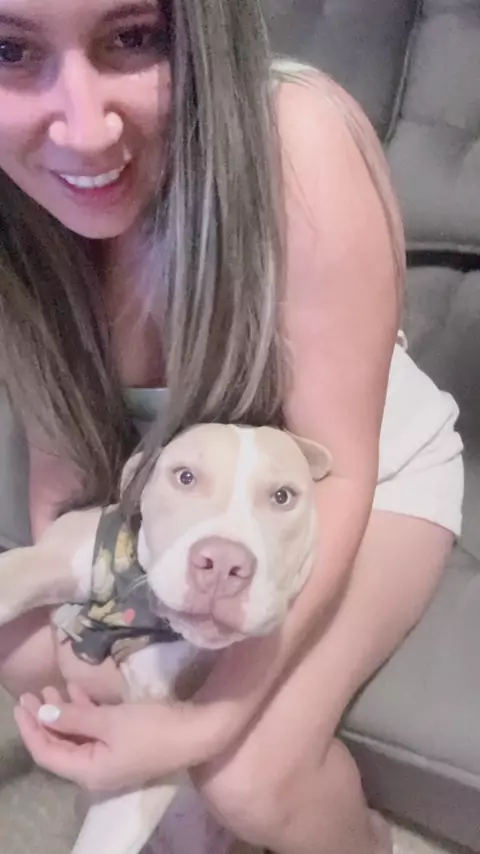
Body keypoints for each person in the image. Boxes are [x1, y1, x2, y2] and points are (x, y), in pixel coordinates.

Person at [0, 1, 463, 853]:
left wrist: (203, 723)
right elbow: (64, 465)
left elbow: (342, 470)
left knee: (250, 778)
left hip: (359, 478)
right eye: (8, 50)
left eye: (132, 38)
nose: (86, 131)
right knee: (33, 648)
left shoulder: (296, 144)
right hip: (187, 490)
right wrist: (89, 631)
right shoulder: (17, 219)